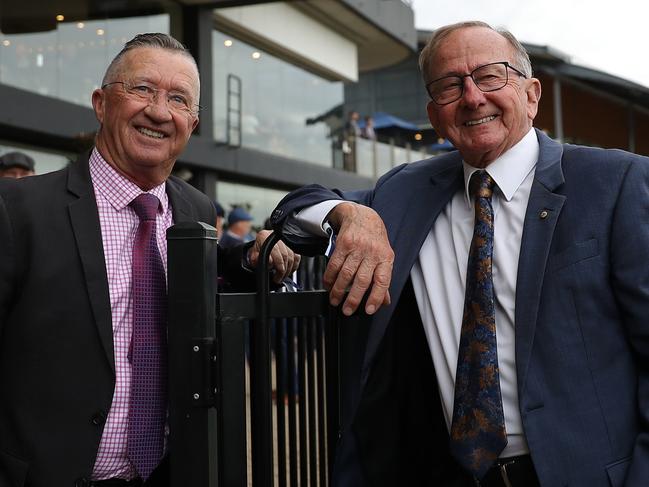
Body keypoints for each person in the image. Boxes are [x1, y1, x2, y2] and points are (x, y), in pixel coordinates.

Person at [271, 21, 649, 487]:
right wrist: (350, 215)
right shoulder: (405, 193)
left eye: (490, 76)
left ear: (531, 94)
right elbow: (297, 205)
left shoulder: (616, 183)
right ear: (435, 115)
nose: (472, 97)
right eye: (451, 85)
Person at [0, 33, 299, 487]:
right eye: (142, 89)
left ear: (191, 124)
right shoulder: (18, 209)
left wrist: (253, 257)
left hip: (165, 473)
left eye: (178, 99)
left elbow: (205, 277)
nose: (159, 111)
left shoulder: (196, 209)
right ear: (101, 103)